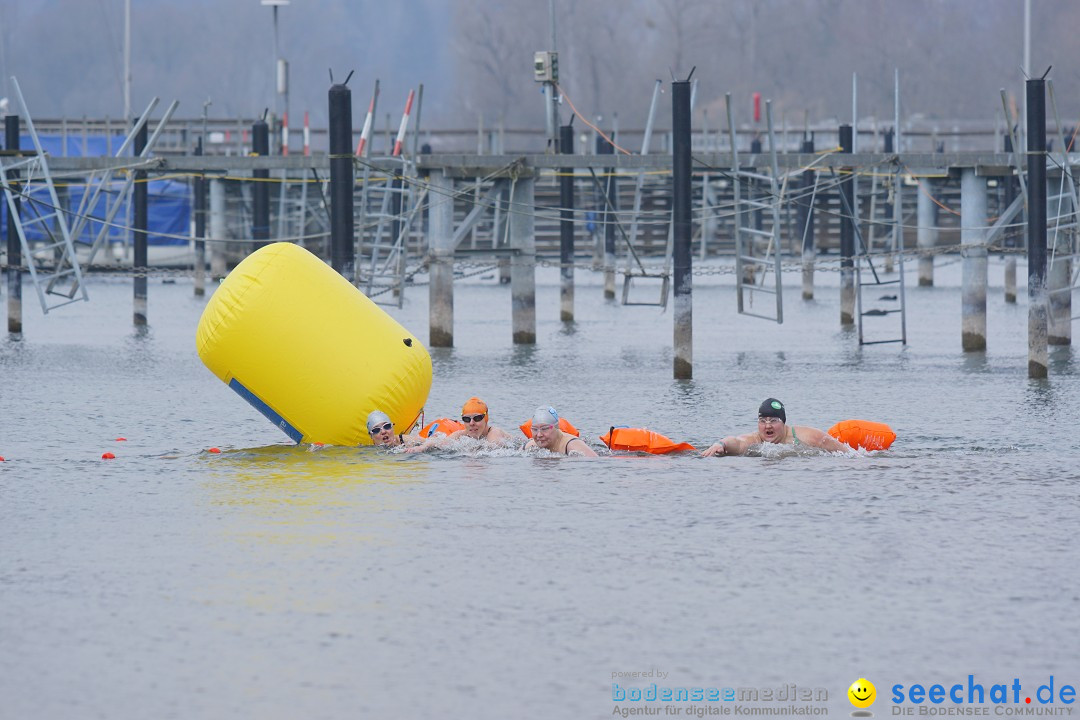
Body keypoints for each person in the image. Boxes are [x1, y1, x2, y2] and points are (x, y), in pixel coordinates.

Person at [701, 398, 848, 457]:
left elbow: (846, 453)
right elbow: (736, 441)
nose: (768, 425)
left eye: (773, 420)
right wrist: (720, 444)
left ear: (784, 423)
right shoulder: (754, 440)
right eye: (762, 420)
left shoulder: (807, 436)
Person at [405, 396, 512, 452]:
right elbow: (439, 442)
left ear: (486, 419)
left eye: (477, 418)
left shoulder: (494, 433)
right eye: (466, 419)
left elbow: (493, 448)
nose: (472, 423)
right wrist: (421, 448)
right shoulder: (462, 434)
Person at [523, 406, 597, 457]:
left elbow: (594, 462)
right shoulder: (531, 445)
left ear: (557, 427)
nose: (539, 435)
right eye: (535, 429)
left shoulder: (573, 446)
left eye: (544, 428)